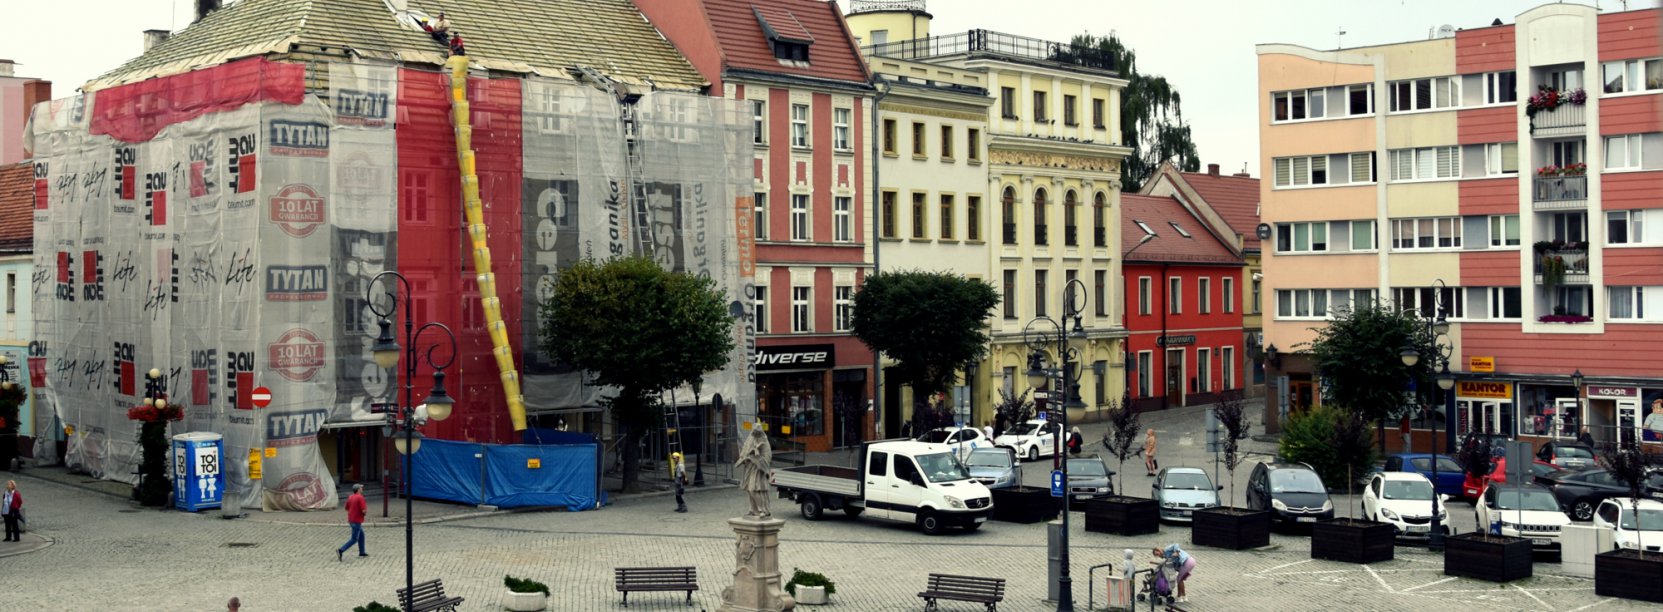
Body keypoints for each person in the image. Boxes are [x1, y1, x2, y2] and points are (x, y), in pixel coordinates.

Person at [737, 426, 772, 518]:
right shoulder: (750, 438)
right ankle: (753, 510)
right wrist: (745, 457)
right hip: (749, 468)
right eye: (753, 433)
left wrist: (756, 454)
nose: (754, 436)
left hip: (758, 470)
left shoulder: (764, 443)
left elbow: (766, 459)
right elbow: (744, 451)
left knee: (754, 489)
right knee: (749, 489)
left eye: (756, 434)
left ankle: (763, 510)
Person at [336, 483, 367, 561]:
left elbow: (346, 508)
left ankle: (362, 552)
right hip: (357, 520)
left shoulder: (350, 497)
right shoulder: (360, 497)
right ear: (358, 490)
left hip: (351, 520)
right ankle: (341, 550)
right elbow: (363, 510)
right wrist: (364, 513)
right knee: (354, 539)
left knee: (361, 535)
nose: (362, 489)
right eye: (361, 488)